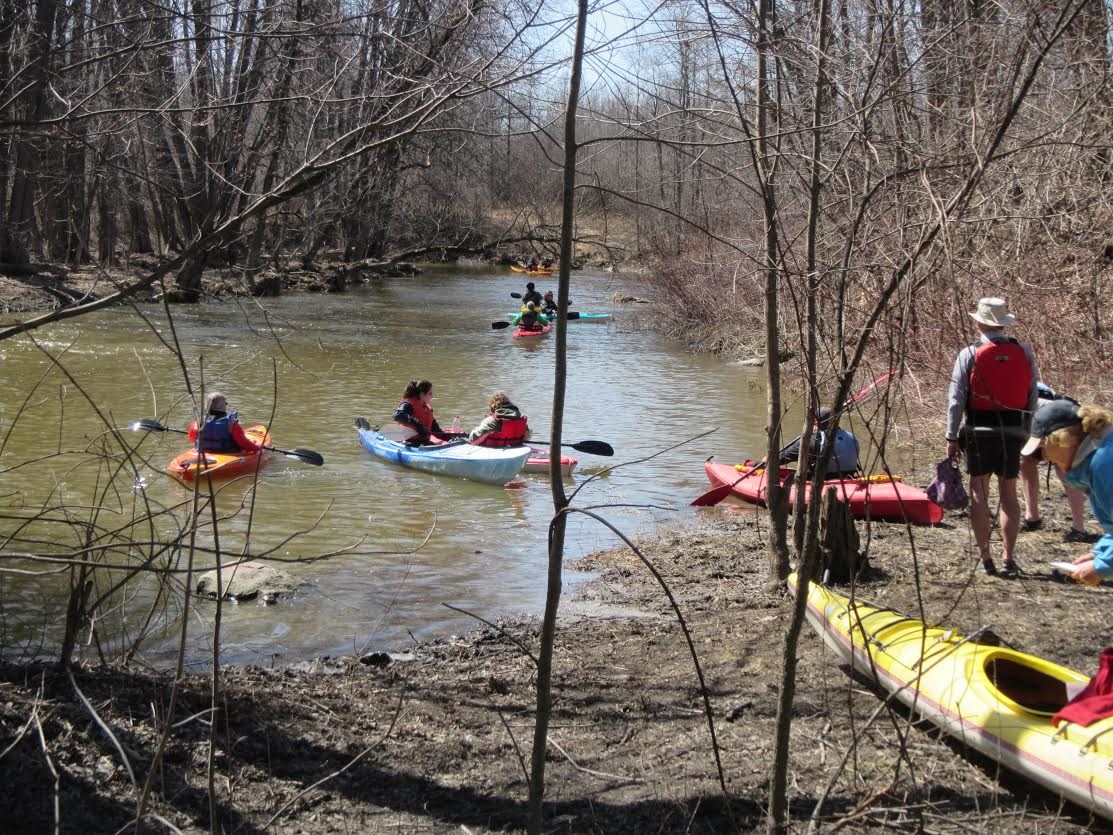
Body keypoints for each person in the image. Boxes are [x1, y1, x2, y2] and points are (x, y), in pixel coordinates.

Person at [945, 297, 1038, 576]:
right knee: (1009, 492)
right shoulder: (1023, 350)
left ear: (979, 322)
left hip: (979, 430)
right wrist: (1027, 426)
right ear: (1003, 323)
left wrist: (951, 435)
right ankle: (1009, 557)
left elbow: (956, 398)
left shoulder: (969, 353)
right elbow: (1032, 392)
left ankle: (986, 559)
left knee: (979, 492)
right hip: (1014, 429)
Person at [1019, 400, 1113, 586]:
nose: (1044, 455)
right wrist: (1100, 553)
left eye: (1044, 446)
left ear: (1064, 439)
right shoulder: (1097, 455)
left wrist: (1101, 566)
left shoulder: (1103, 464)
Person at [1020, 382, 1097, 543]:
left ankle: (1079, 528)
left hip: (1061, 422)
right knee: (1026, 461)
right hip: (1033, 424)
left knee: (1063, 467)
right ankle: (1032, 517)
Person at [778, 407, 860, 479]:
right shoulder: (852, 437)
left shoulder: (811, 441)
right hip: (849, 479)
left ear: (816, 423)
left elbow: (781, 459)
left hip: (824, 483)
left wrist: (768, 460)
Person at [187, 391, 263, 454]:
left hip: (203, 454)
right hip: (228, 454)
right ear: (222, 406)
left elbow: (192, 438)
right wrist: (257, 448)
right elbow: (243, 443)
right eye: (225, 403)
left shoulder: (197, 422)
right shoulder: (231, 424)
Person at [393, 380, 463, 445]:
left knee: (457, 435)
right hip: (411, 440)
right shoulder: (408, 404)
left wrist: (447, 435)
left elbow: (435, 428)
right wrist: (418, 425)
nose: (432, 396)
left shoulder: (426, 408)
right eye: (430, 393)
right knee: (441, 442)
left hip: (425, 437)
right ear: (422, 394)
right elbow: (397, 415)